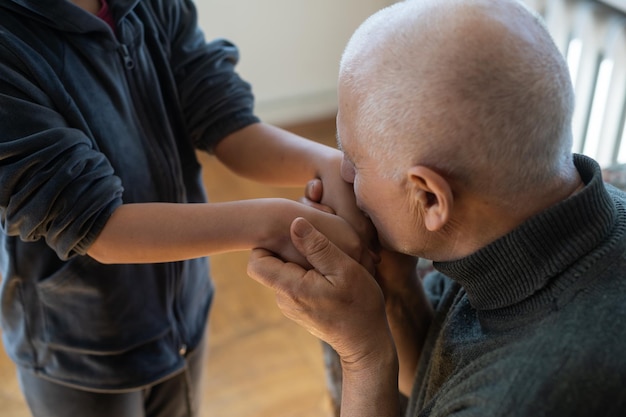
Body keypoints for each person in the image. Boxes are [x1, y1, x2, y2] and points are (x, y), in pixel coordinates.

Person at [247, 0, 626, 416]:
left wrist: (364, 356)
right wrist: (394, 289)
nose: (344, 176)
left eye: (354, 161)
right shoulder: (524, 219)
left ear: (428, 197)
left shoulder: (517, 399)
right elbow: (436, 374)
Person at [0, 0, 372, 416]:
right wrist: (275, 223)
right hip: (78, 348)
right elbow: (97, 225)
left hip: (185, 309)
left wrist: (328, 163)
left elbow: (224, 121)